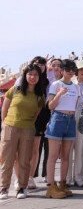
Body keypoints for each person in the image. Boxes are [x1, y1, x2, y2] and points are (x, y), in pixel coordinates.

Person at [0, 64, 45, 200]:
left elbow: (36, 114)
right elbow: (5, 107)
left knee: (25, 159)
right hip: (10, 126)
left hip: (28, 129)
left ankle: (22, 187)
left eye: (35, 75)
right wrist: (4, 123)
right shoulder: (16, 89)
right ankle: (3, 188)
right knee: (6, 158)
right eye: (30, 74)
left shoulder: (39, 95)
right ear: (25, 75)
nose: (32, 77)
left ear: (39, 77)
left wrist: (28, 124)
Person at [45, 59, 80, 198]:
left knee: (66, 156)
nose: (70, 72)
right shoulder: (56, 84)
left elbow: (76, 104)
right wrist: (60, 94)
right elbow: (50, 106)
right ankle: (50, 186)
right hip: (58, 118)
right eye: (67, 69)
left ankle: (63, 184)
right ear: (62, 70)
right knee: (53, 155)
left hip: (71, 120)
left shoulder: (76, 87)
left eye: (72, 69)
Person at [66, 60, 83, 187]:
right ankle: (67, 178)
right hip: (71, 116)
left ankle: (79, 177)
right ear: (77, 71)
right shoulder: (71, 84)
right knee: (68, 148)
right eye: (82, 70)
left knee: (81, 148)